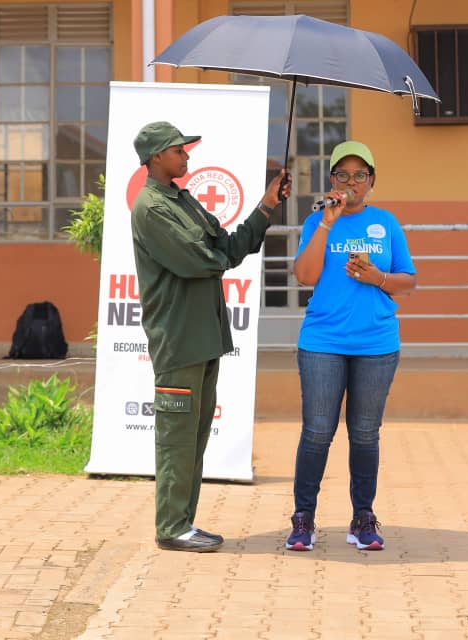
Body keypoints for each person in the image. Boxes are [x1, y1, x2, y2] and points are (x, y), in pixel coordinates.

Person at [131, 121, 291, 552]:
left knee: (195, 434)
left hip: (203, 335)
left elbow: (229, 247)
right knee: (177, 437)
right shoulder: (150, 207)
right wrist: (220, 254)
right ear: (157, 157)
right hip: (179, 338)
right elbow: (199, 259)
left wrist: (265, 206)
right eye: (179, 150)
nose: (187, 156)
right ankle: (172, 527)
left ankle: (183, 522)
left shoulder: (182, 200)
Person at [284, 140, 416, 552]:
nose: (352, 182)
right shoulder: (319, 222)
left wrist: (376, 276)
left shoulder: (386, 223)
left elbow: (408, 281)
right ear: (332, 181)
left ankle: (363, 518)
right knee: (317, 432)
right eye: (344, 175)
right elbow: (304, 276)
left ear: (372, 182)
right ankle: (303, 519)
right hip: (323, 341)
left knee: (364, 435)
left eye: (361, 175)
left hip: (376, 344)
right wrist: (326, 222)